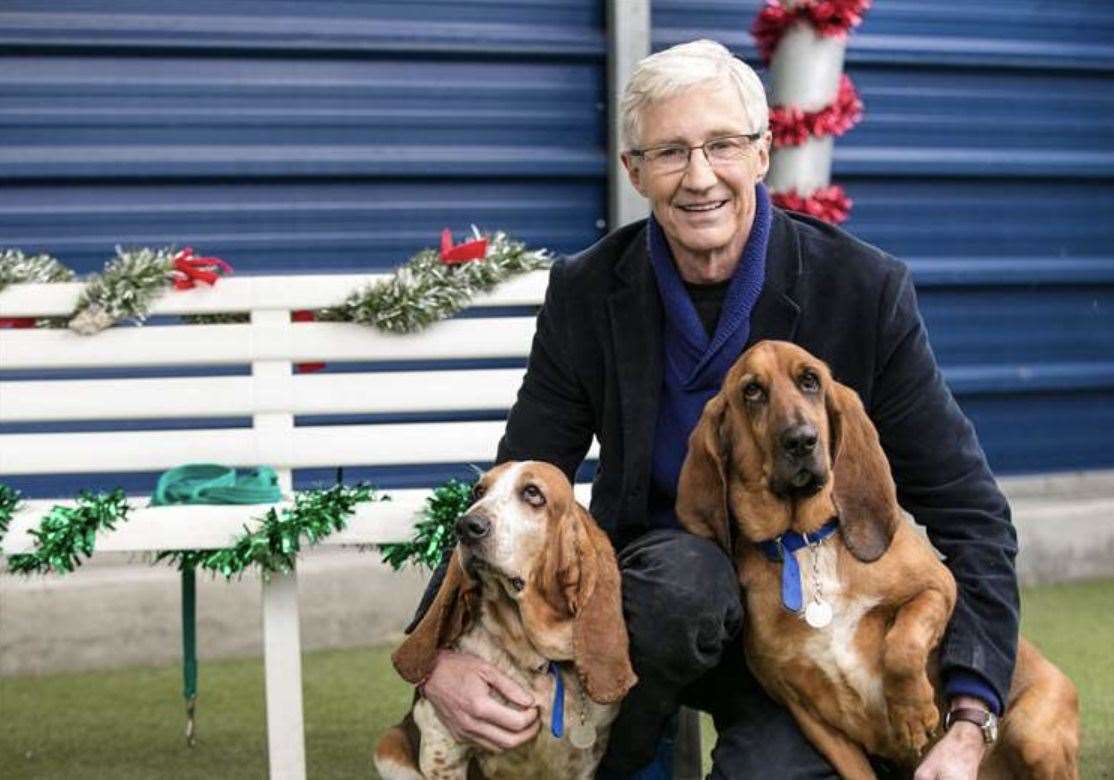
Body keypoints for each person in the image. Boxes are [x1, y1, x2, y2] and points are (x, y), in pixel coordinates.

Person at [410, 39, 1019, 778]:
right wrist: (436, 655)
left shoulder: (862, 290)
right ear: (634, 171)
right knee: (684, 587)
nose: (700, 178)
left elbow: (971, 514)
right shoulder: (587, 292)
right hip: (658, 612)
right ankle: (626, 741)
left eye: (723, 145)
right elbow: (517, 479)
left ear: (763, 153)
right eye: (670, 152)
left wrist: (971, 713)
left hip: (807, 637)